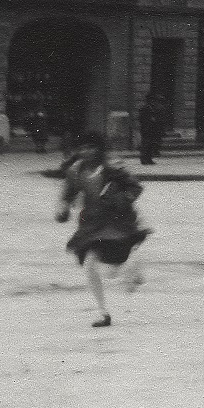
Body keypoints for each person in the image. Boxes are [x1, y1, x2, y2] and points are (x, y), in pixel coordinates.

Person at [55, 134, 150, 327]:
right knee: (90, 263)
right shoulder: (75, 171)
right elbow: (68, 194)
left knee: (113, 268)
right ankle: (103, 312)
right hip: (91, 225)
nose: (86, 151)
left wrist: (119, 199)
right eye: (82, 148)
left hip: (116, 223)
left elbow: (135, 188)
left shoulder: (113, 168)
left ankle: (132, 268)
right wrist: (63, 208)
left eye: (91, 147)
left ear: (100, 149)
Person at [135, 94, 167, 166]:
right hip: (146, 129)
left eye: (154, 100)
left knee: (150, 145)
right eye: (152, 100)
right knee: (145, 145)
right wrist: (150, 120)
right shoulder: (144, 108)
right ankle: (143, 159)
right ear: (148, 101)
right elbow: (141, 119)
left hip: (152, 130)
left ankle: (149, 159)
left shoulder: (153, 108)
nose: (153, 102)